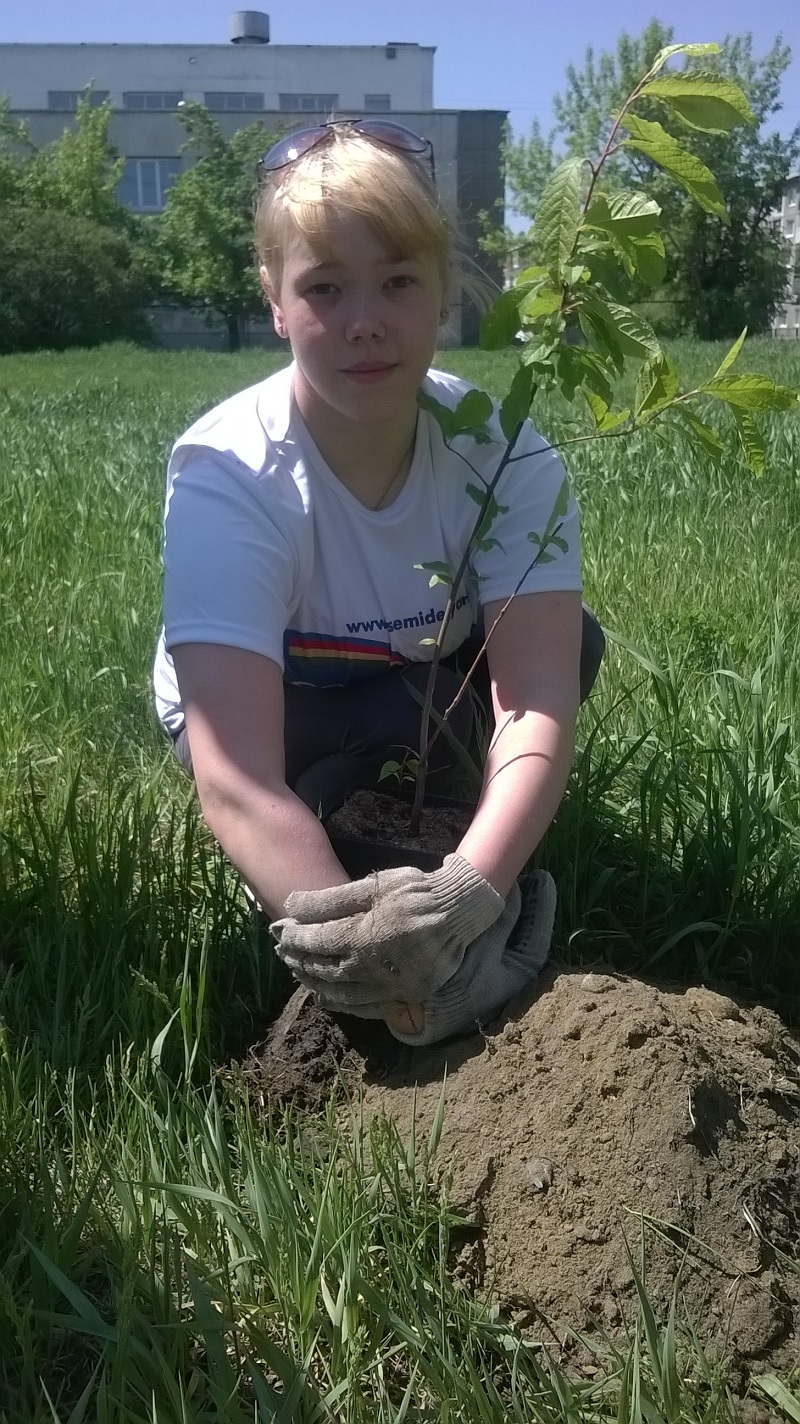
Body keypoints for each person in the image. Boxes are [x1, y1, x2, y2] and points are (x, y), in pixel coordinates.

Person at [153, 118, 604, 1047]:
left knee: (570, 646)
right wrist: (379, 965)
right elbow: (236, 775)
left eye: (398, 280)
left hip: (421, 686)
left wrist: (469, 893)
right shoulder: (230, 475)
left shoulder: (504, 453)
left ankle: (431, 846)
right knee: (348, 766)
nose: (364, 320)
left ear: (443, 290)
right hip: (264, 714)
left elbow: (536, 702)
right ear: (276, 300)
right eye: (324, 287)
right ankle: (341, 847)